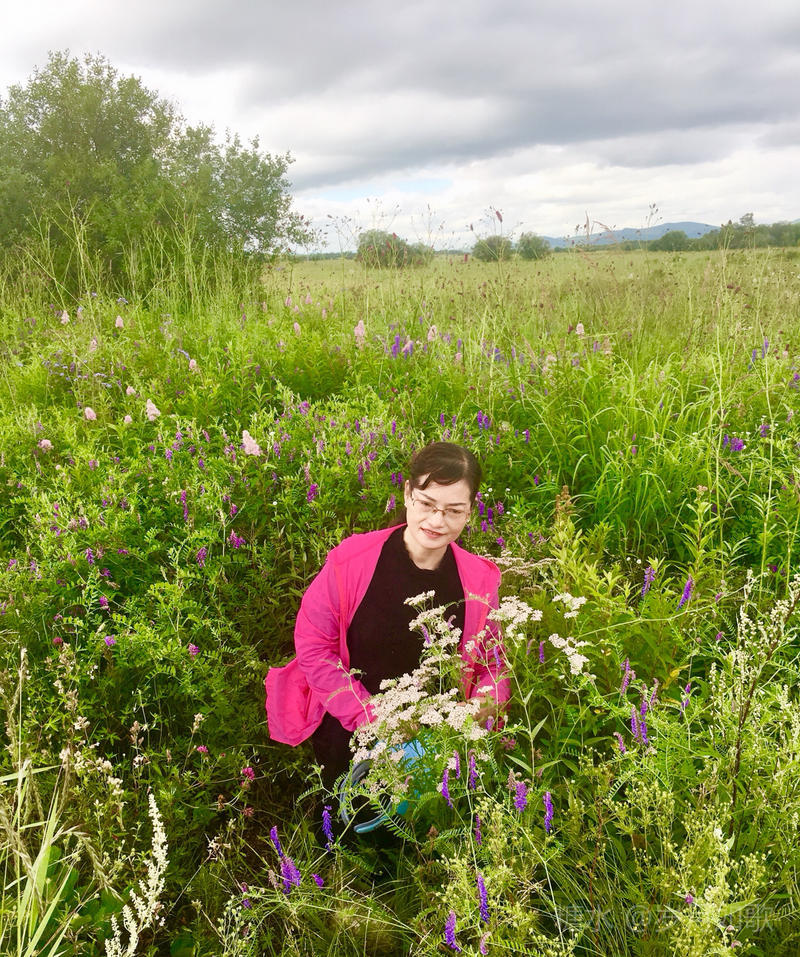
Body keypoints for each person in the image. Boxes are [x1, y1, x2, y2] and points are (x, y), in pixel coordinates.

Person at [265, 441, 509, 789]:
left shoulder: (479, 580)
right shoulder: (351, 562)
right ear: (408, 494)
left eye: (454, 510)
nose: (437, 521)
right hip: (353, 736)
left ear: (470, 511)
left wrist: (483, 704)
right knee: (348, 820)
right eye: (427, 504)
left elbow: (493, 664)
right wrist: (375, 719)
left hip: (436, 753)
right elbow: (314, 648)